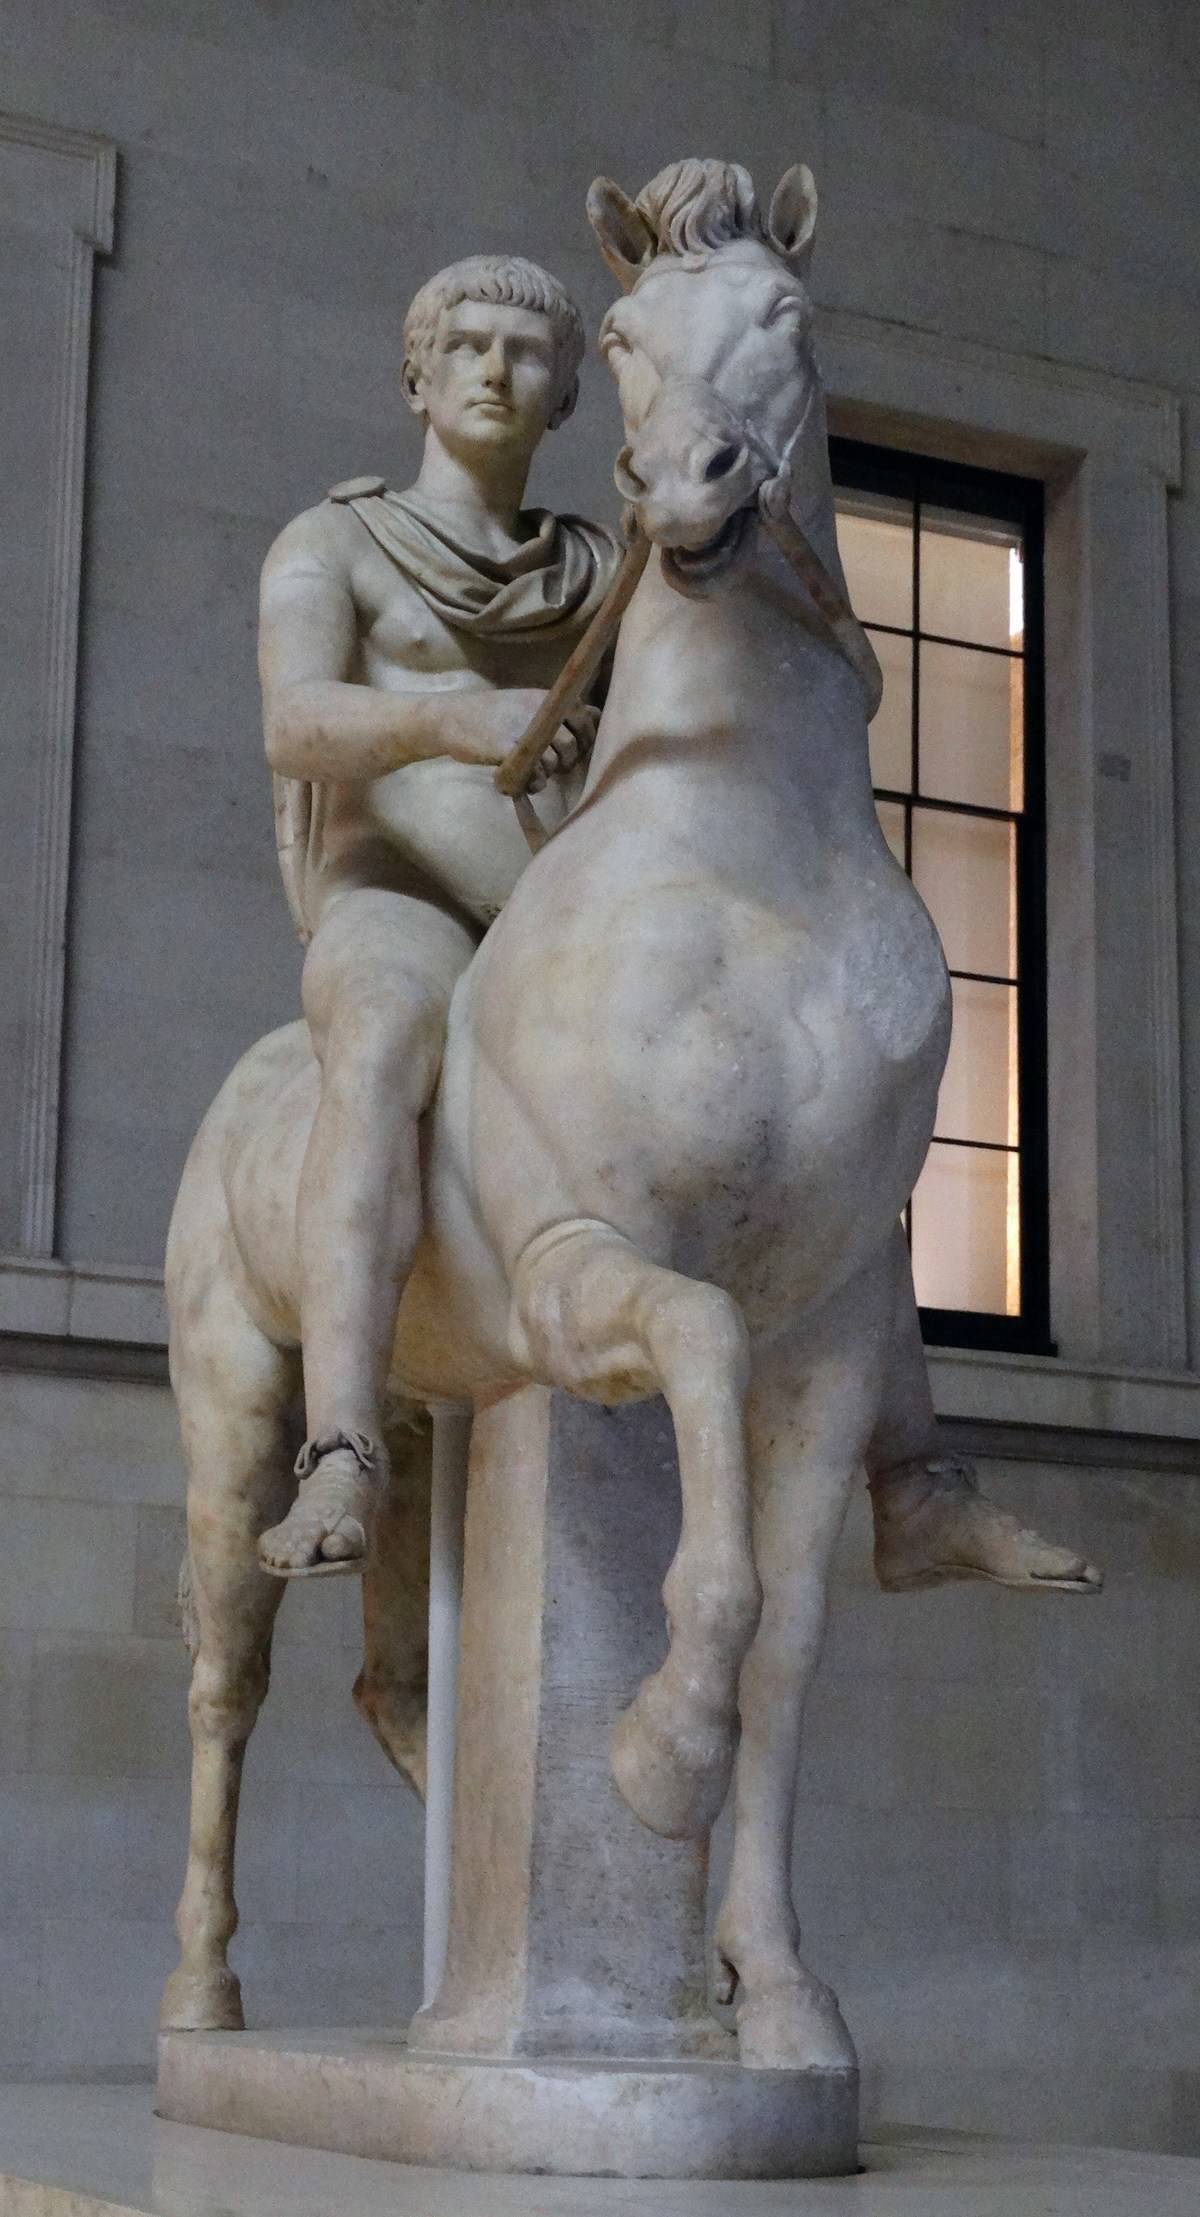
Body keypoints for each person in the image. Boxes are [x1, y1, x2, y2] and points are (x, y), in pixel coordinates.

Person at [256, 250, 1098, 1598]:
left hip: (562, 916)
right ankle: (346, 1437)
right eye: (464, 342)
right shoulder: (336, 543)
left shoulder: (602, 557)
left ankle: (914, 1474)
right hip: (408, 895)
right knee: (380, 1039)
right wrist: (450, 718)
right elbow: (296, 720)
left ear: (574, 397)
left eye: (528, 353)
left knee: (810, 1097)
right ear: (415, 374)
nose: (493, 368)